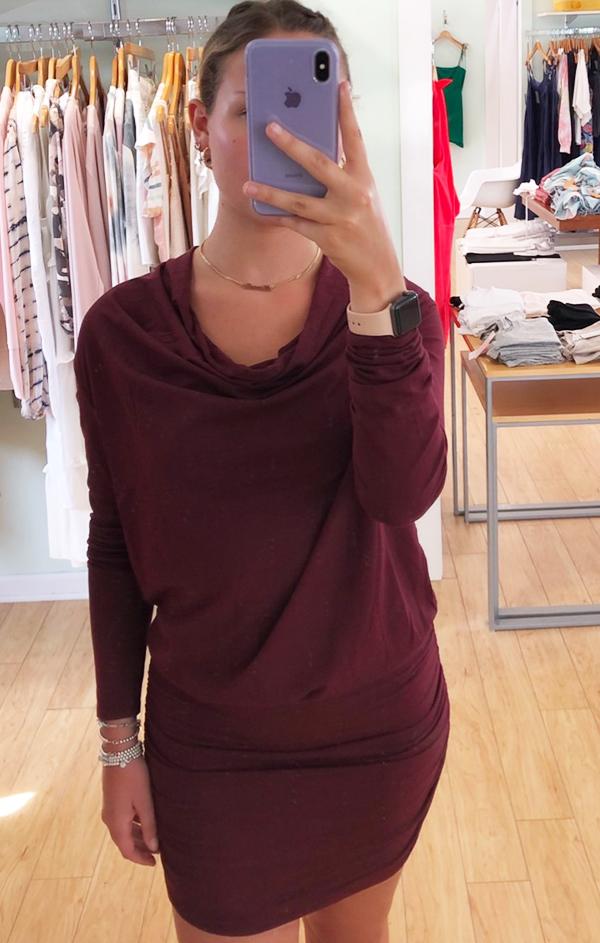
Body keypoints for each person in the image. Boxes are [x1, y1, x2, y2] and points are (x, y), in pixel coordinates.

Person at [73, 2, 451, 942]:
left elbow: (402, 494)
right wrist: (119, 744)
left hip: (379, 730)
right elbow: (115, 543)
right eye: (252, 112)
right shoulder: (122, 336)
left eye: (311, 111)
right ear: (200, 125)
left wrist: (376, 288)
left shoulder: (394, 311)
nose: (285, 137)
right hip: (214, 748)